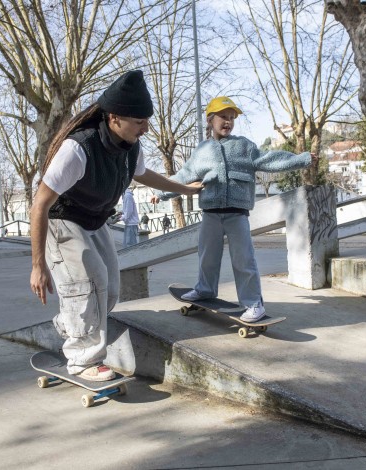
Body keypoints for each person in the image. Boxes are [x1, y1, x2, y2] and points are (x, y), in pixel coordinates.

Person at [29, 70, 203, 382]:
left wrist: (184, 188)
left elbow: (144, 174)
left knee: (109, 289)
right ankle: (83, 359)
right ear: (113, 118)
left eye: (146, 120)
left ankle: (70, 324)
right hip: (61, 221)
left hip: (95, 222)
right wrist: (38, 264)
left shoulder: (130, 146)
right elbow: (39, 204)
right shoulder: (78, 149)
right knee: (87, 285)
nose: (145, 128)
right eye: (139, 121)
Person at [153, 96, 314, 323]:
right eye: (223, 117)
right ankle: (205, 290)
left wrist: (300, 159)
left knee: (244, 260)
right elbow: (183, 176)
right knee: (207, 257)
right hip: (210, 214)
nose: (228, 121)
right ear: (209, 120)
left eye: (231, 118)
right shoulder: (202, 151)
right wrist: (161, 192)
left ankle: (253, 303)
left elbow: (269, 159)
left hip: (237, 214)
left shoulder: (244, 146)